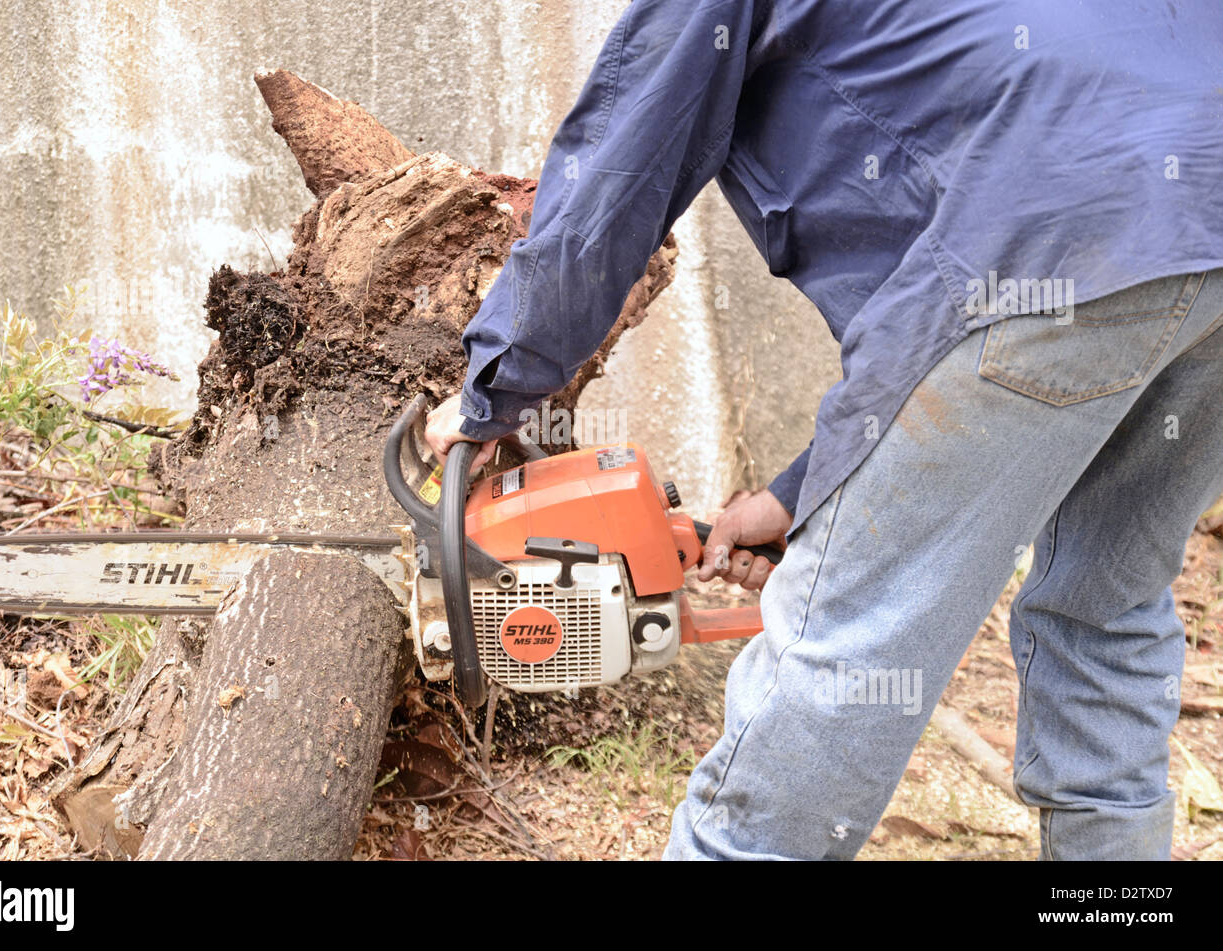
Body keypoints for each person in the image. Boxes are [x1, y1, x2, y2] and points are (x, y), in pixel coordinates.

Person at [424, 0, 1223, 860]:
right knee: (1106, 603)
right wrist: (798, 494)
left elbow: (619, 164)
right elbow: (939, 343)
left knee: (846, 647)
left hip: (1052, 220)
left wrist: (493, 394)